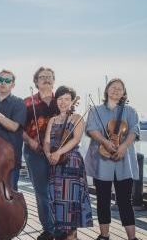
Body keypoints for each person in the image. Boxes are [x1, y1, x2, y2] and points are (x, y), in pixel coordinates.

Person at [85, 79, 141, 240]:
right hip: (102, 159)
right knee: (102, 200)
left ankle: (132, 238)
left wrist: (123, 147)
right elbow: (92, 129)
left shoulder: (130, 111)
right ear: (107, 90)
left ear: (124, 93)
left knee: (125, 200)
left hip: (124, 159)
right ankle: (104, 235)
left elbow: (134, 130)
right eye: (113, 87)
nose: (116, 90)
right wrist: (105, 142)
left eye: (120, 89)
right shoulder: (96, 110)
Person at [43, 85, 93, 240]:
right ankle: (62, 235)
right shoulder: (52, 120)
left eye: (66, 99)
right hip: (55, 164)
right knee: (56, 199)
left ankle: (72, 236)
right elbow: (46, 141)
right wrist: (48, 154)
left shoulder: (77, 118)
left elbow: (76, 139)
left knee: (71, 201)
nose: (63, 102)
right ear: (56, 100)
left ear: (72, 101)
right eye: (60, 99)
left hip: (71, 163)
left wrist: (58, 152)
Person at [24, 67, 60, 240]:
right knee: (42, 192)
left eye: (49, 77)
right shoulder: (27, 102)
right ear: (36, 81)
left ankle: (62, 227)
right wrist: (30, 141)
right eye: (42, 77)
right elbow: (19, 128)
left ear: (54, 80)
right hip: (35, 152)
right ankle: (49, 229)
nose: (46, 79)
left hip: (58, 152)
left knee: (59, 190)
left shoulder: (61, 101)